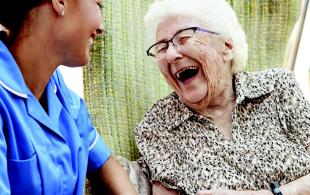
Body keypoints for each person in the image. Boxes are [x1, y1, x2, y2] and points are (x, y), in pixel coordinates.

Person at [133, 0, 310, 194]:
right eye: (162, 48)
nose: (171, 55)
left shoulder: (277, 86)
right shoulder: (158, 126)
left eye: (183, 38)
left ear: (227, 47)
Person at [0, 0, 137, 194]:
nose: (102, 28)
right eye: (99, 4)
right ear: (60, 2)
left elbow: (104, 163)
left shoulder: (62, 97)